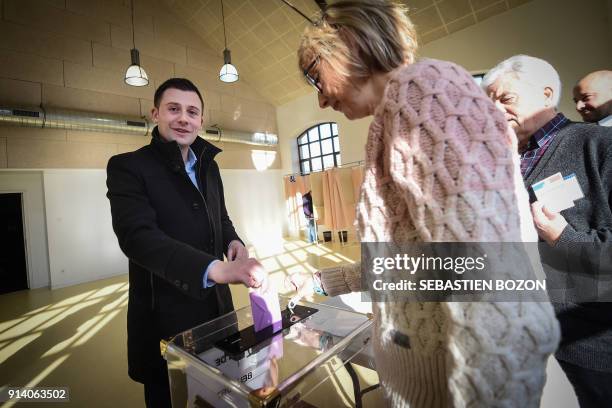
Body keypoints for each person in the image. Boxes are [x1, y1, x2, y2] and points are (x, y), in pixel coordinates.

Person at [290, 1, 559, 407]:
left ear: (348, 45)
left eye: (315, 78)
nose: (321, 101)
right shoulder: (396, 112)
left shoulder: (425, 91)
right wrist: (324, 282)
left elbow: (485, 270)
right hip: (424, 376)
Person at [106, 78, 264, 407]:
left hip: (218, 314)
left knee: (221, 396)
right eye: (173, 109)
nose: (183, 118)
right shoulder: (128, 167)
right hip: (166, 322)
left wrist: (234, 241)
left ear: (201, 120)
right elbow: (138, 239)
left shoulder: (210, 167)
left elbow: (220, 217)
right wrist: (216, 268)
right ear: (155, 114)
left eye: (192, 112)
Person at [482, 55, 612, 408]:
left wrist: (562, 237)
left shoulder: (599, 146)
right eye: (487, 100)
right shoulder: (501, 163)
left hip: (589, 347)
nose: (494, 109)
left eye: (505, 99)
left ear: (546, 94)